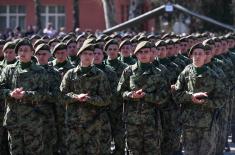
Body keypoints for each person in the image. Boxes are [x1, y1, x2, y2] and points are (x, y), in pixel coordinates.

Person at [117, 41, 169, 154]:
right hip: (132, 121)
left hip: (152, 122)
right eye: (140, 52)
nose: (144, 54)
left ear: (151, 53)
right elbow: (120, 91)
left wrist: (147, 96)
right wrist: (131, 95)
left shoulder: (158, 72)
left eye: (146, 52)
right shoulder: (128, 71)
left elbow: (164, 97)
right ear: (136, 54)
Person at [60, 42, 112, 155]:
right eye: (85, 54)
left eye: (90, 54)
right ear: (79, 55)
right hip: (73, 124)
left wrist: (89, 99)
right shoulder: (70, 74)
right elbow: (61, 96)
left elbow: (106, 99)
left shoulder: (100, 75)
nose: (88, 56)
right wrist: (76, 97)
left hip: (93, 124)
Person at [174, 43, 225, 155]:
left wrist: (205, 102)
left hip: (207, 123)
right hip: (189, 123)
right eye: (195, 54)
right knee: (189, 152)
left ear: (205, 56)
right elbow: (177, 94)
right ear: (191, 56)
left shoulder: (213, 75)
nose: (197, 56)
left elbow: (221, 99)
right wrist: (191, 97)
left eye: (200, 54)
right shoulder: (185, 73)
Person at [0, 38, 47, 155]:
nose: (22, 53)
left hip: (33, 121)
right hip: (14, 120)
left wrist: (26, 94)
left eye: (26, 50)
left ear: (32, 53)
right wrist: (10, 93)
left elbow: (44, 94)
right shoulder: (8, 70)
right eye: (20, 50)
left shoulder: (40, 71)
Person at [35, 43, 62, 155]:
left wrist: (41, 95)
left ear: (50, 55)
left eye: (44, 54)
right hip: (31, 115)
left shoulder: (54, 73)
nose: (41, 56)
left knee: (49, 146)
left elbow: (57, 95)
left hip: (48, 114)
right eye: (39, 54)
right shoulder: (31, 71)